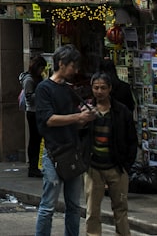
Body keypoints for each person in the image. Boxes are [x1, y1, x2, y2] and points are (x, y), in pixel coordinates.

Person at [34, 44, 98, 236]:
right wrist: (77, 118)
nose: (76, 70)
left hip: (72, 150)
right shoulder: (44, 88)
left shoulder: (69, 90)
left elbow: (72, 122)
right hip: (54, 152)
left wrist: (85, 118)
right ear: (61, 64)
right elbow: (49, 119)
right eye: (73, 65)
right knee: (48, 205)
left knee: (74, 206)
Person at [84, 70, 139, 236]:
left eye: (102, 88)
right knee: (92, 210)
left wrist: (126, 165)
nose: (99, 92)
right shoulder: (86, 111)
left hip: (116, 167)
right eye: (96, 88)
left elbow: (131, 140)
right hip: (93, 167)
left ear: (109, 89)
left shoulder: (121, 112)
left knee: (120, 208)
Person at [21, 54, 48, 178]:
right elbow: (29, 97)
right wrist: (41, 94)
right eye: (41, 68)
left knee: (37, 140)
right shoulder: (29, 80)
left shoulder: (38, 78)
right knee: (34, 140)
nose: (42, 71)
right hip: (33, 112)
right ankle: (33, 167)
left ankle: (36, 166)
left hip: (38, 111)